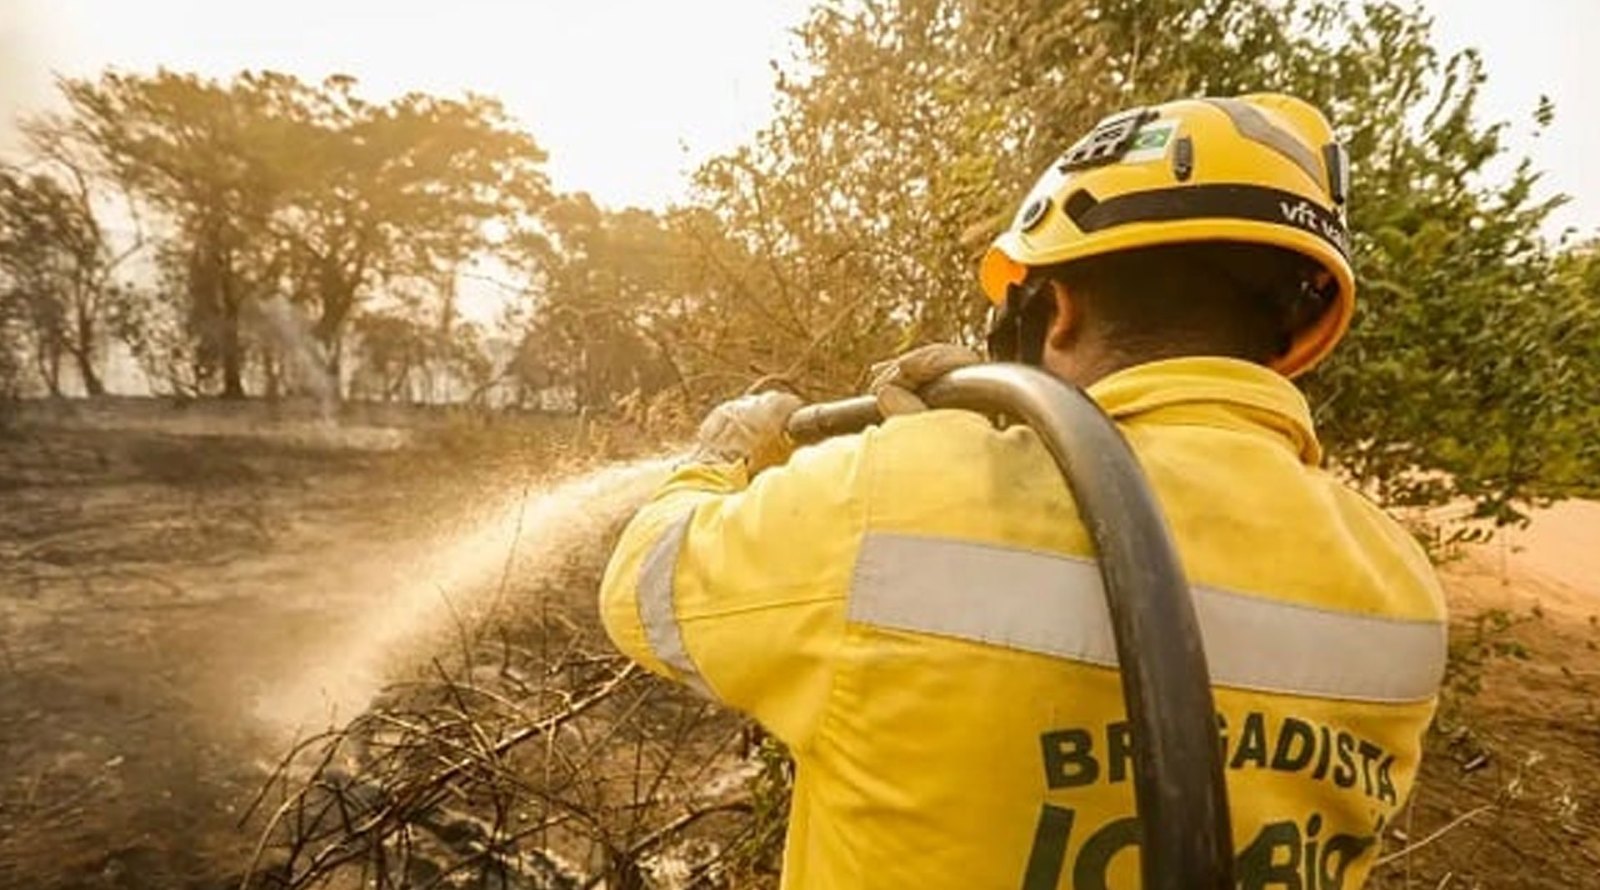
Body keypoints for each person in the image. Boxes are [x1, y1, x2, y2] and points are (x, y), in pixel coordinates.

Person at [599, 93, 1446, 889]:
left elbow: (644, 584)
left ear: (1062, 307)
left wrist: (721, 454)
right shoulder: (1400, 585)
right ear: (1296, 330)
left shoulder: (894, 494)